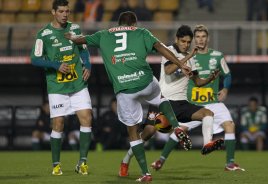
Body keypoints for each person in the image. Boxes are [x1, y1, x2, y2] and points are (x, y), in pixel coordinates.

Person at [65, 11, 193, 182]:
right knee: (160, 98)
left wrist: (72, 37)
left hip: (124, 89)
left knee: (133, 132)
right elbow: (161, 48)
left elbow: (81, 39)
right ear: (134, 24)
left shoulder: (103, 35)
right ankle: (176, 126)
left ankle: (145, 173)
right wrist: (180, 63)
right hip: (145, 81)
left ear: (119, 24)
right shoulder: (141, 32)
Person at [118, 25, 223, 176]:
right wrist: (188, 57)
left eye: (188, 42)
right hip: (163, 102)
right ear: (176, 39)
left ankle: (207, 144)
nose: (186, 45)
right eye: (183, 41)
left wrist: (209, 79)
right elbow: (168, 70)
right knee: (147, 134)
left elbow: (198, 82)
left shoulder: (192, 59)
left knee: (208, 113)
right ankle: (126, 160)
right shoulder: (169, 51)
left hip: (182, 103)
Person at [150, 24, 244, 172]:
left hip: (213, 101)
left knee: (230, 125)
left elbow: (227, 75)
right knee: (180, 130)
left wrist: (224, 88)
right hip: (193, 102)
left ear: (208, 38)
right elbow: (170, 71)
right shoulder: (185, 54)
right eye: (198, 37)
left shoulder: (217, 56)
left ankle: (230, 163)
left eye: (203, 36)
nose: (200, 40)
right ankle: (160, 160)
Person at [30, 0, 93, 176]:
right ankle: (56, 165)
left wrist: (88, 66)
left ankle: (82, 163)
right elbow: (35, 59)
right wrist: (55, 65)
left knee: (87, 118)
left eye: (67, 11)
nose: (65, 14)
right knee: (58, 123)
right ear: (53, 12)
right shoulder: (44, 34)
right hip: (57, 86)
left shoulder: (75, 29)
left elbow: (83, 50)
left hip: (78, 83)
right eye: (61, 11)